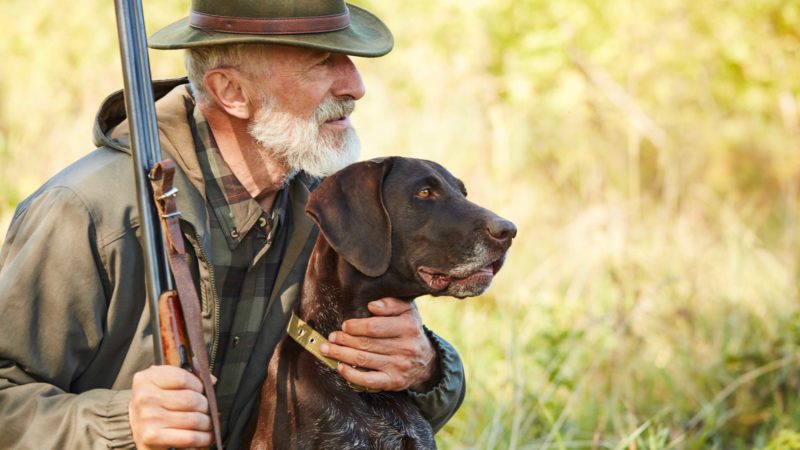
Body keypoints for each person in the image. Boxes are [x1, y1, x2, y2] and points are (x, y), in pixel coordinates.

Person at [0, 0, 466, 448]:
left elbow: (393, 397)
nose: (355, 85)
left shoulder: (328, 207)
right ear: (232, 92)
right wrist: (122, 423)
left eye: (349, 60)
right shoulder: (86, 211)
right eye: (322, 61)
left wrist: (426, 367)